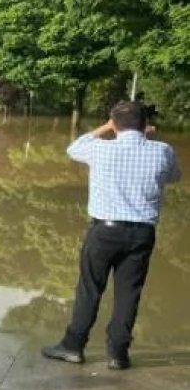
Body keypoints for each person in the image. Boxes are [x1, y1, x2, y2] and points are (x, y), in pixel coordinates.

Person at [42, 100, 181, 370]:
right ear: (145, 125)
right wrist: (151, 139)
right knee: (129, 294)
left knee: (89, 289)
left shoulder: (99, 149)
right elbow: (174, 176)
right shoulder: (163, 150)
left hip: (104, 231)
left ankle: (73, 346)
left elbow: (73, 148)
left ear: (114, 124)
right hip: (142, 234)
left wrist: (106, 127)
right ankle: (118, 353)